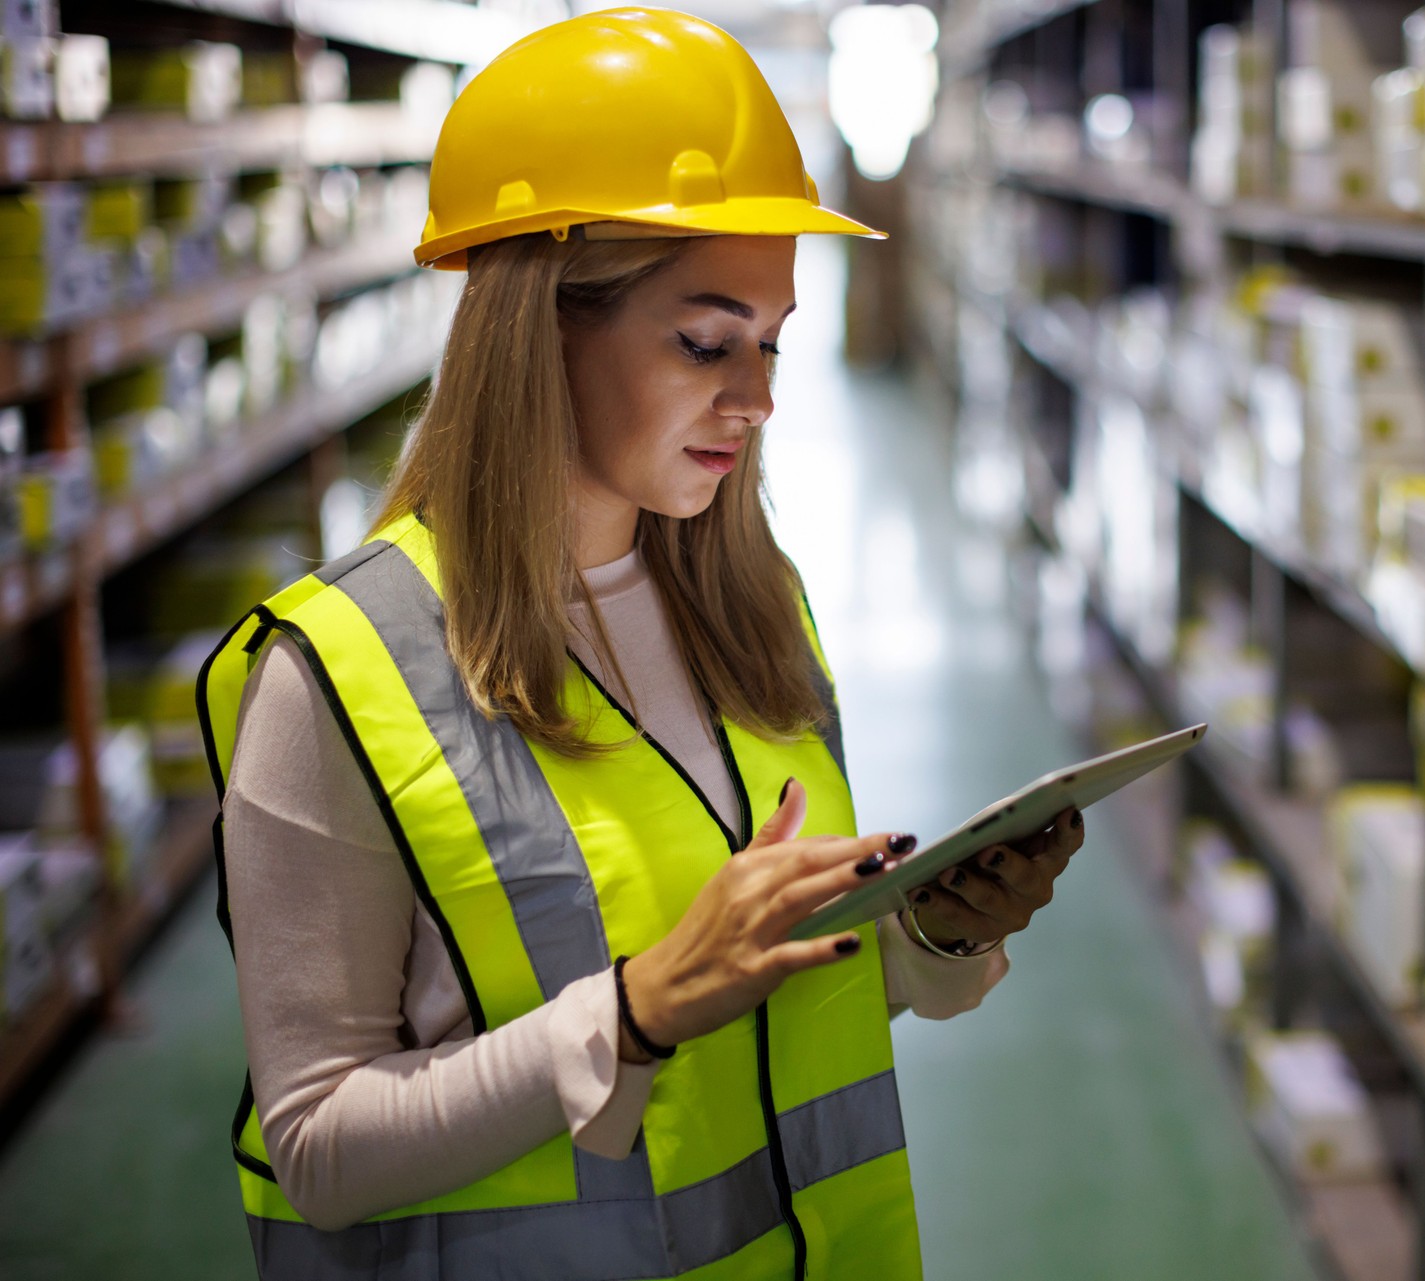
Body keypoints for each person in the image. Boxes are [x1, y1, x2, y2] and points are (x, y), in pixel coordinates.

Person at [196, 10, 1084, 1278]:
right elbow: (320, 1148)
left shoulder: (751, 605)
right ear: (538, 324)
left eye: (772, 342)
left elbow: (784, 984)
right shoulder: (336, 674)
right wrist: (636, 1012)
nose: (759, 398)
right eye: (706, 341)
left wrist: (927, 934)